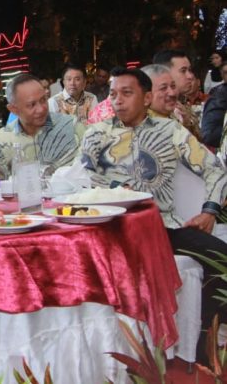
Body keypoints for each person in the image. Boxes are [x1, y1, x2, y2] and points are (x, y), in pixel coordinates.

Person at [79, 67, 227, 361]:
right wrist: (115, 189)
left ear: (146, 98)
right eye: (113, 94)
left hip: (160, 229)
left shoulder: (170, 131)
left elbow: (214, 169)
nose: (118, 100)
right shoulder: (97, 133)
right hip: (107, 231)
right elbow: (81, 179)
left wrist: (209, 210)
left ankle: (204, 344)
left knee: (221, 259)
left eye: (126, 93)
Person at [0, 74, 84, 178]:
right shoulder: (1, 140)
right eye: (31, 105)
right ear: (13, 109)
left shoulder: (71, 126)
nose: (41, 109)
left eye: (43, 100)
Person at [153, 49, 201, 139]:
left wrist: (188, 124)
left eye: (189, 70)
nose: (190, 76)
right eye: (183, 71)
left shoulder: (182, 104)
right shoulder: (152, 109)